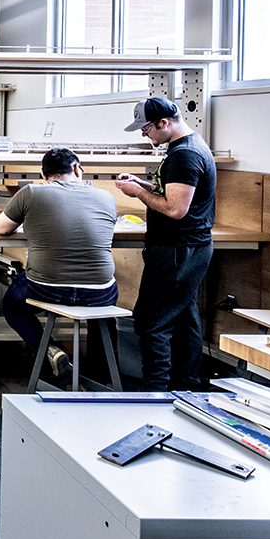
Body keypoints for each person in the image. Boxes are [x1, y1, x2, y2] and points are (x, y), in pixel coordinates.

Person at [115, 95, 217, 391]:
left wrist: (137, 194)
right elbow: (173, 192)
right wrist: (142, 183)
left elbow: (175, 209)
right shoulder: (187, 148)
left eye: (146, 129)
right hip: (186, 247)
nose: (144, 135)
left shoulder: (185, 155)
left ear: (163, 123)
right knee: (184, 318)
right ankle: (185, 387)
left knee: (151, 321)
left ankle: (155, 392)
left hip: (177, 250)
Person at [0, 147, 119, 379]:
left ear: (43, 176)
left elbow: (1, 228)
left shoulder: (31, 193)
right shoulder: (105, 197)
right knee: (103, 315)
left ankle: (50, 349)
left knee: (11, 305)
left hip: (47, 288)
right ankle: (102, 378)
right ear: (77, 169)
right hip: (99, 293)